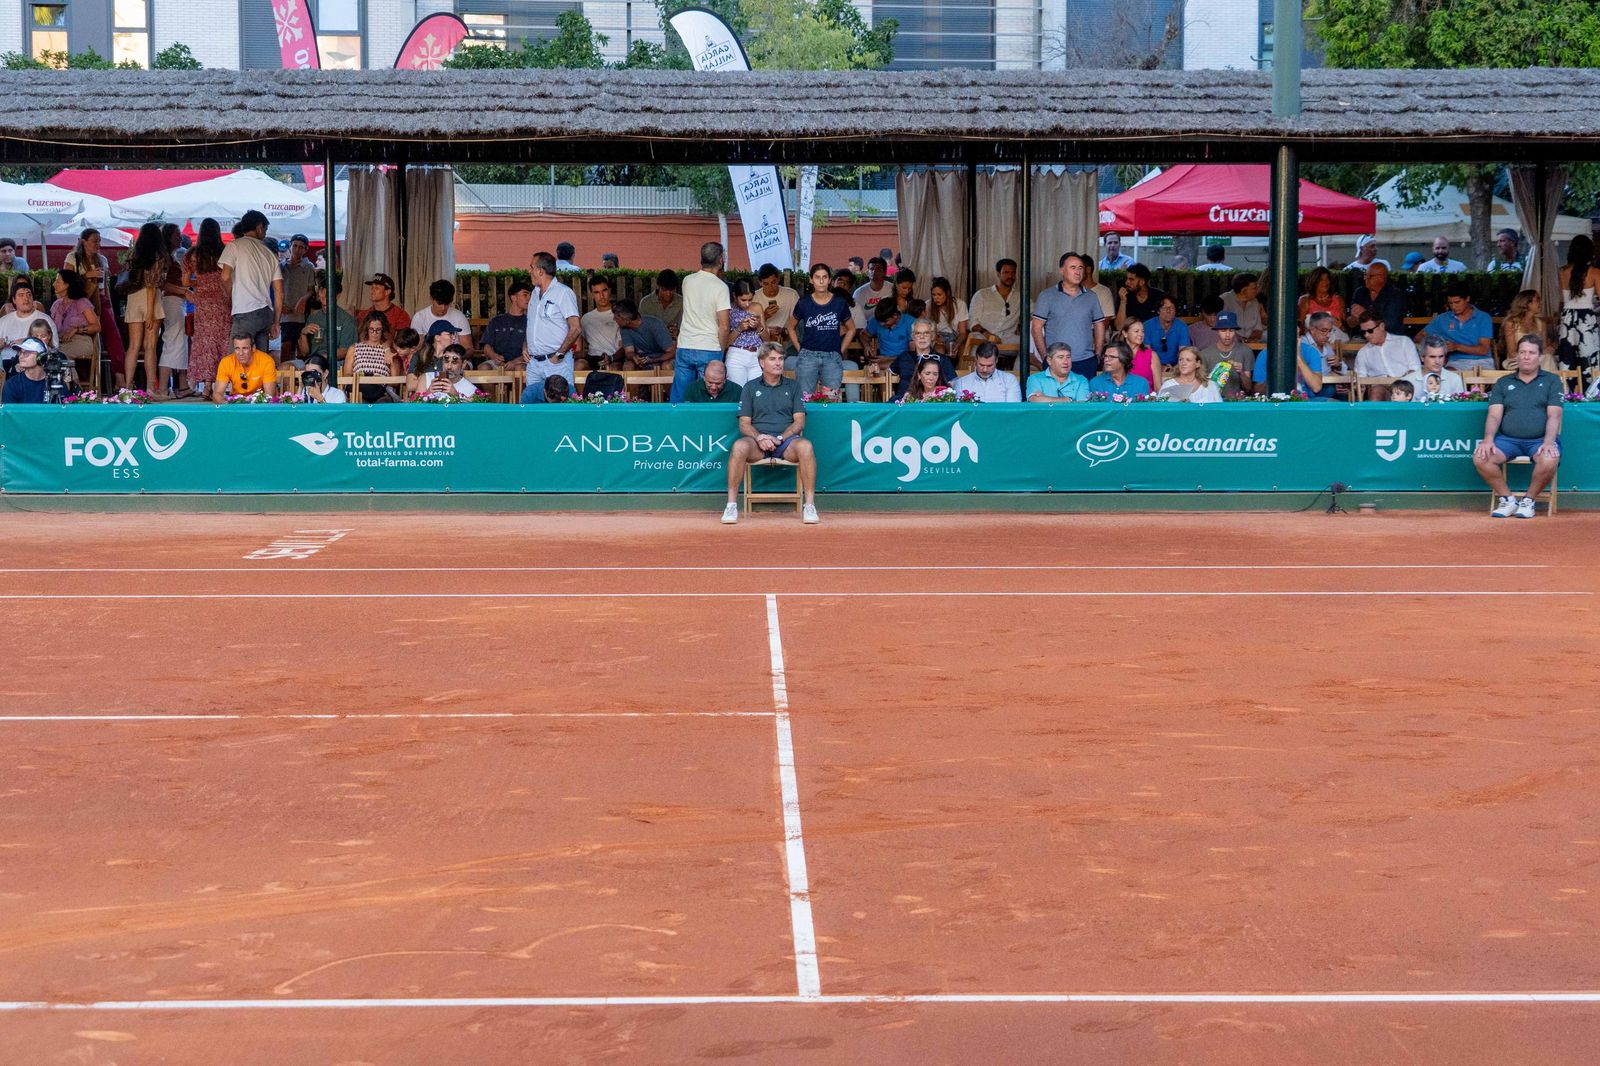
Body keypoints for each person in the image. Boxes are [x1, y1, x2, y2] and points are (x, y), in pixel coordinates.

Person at [721, 343, 818, 526]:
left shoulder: (794, 386)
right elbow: (744, 424)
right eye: (772, 359)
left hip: (786, 443)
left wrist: (780, 438)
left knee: (806, 446)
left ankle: (810, 505)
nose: (778, 363)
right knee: (739, 446)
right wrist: (760, 437)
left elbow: (799, 422)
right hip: (757, 443)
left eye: (781, 359)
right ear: (761, 363)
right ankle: (731, 505)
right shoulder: (749, 387)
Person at [1478, 335, 1563, 519]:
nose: (1526, 356)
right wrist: (1488, 439)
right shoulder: (1503, 382)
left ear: (1540, 357)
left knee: (1549, 458)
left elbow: (1554, 415)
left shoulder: (1552, 381)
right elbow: (1494, 414)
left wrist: (1549, 442)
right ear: (1516, 355)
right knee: (1480, 456)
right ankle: (1508, 500)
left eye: (1531, 353)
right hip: (1508, 440)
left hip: (1539, 440)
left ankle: (1528, 501)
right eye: (1522, 352)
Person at [64, 227, 124, 384]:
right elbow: (66, 281)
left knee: (114, 337)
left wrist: (109, 305)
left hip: (101, 300)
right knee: (82, 339)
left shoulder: (102, 260)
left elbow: (105, 286)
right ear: (84, 242)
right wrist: (86, 275)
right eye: (94, 241)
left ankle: (120, 378)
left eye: (99, 241)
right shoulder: (73, 257)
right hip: (79, 303)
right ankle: (82, 379)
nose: (98, 244)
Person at [520, 250, 582, 404]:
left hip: (556, 363)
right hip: (533, 363)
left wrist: (559, 355)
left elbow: (575, 328)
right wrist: (526, 346)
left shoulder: (564, 293)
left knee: (562, 408)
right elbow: (532, 325)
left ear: (540, 271)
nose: (529, 271)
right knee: (532, 410)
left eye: (531, 267)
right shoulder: (534, 294)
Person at [1031, 252, 1104, 379]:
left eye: (1080, 268)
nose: (1078, 272)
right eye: (1073, 267)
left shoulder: (1091, 296)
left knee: (1084, 398)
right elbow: (1036, 328)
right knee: (1056, 398)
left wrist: (1097, 355)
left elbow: (1099, 325)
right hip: (1056, 362)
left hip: (1085, 361)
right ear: (1062, 270)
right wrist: (1045, 357)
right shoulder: (1047, 296)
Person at [674, 241, 731, 404]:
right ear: (720, 260)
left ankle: (676, 427)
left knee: (681, 397)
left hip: (685, 344)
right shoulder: (720, 287)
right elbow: (724, 326)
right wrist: (721, 349)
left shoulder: (687, 281)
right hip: (709, 346)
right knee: (707, 397)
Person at [218, 210, 282, 354]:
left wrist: (230, 295)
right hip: (266, 313)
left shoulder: (234, 246)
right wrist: (276, 322)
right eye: (265, 229)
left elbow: (225, 276)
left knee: (236, 361)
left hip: (245, 311)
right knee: (258, 362)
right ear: (259, 227)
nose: (265, 233)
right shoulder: (269, 254)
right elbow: (279, 291)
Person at [788, 262, 856, 396]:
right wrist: (799, 349)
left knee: (831, 399)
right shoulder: (804, 302)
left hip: (832, 357)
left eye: (824, 277)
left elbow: (851, 329)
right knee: (805, 400)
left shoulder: (839, 302)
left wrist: (839, 351)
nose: (821, 281)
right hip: (807, 356)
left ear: (829, 280)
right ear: (811, 279)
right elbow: (790, 327)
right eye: (817, 277)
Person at [118, 222, 167, 391]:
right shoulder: (158, 256)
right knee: (150, 347)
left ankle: (127, 388)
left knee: (132, 346)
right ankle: (150, 389)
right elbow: (152, 285)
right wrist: (150, 313)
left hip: (133, 298)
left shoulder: (133, 254)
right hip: (150, 300)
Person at [185, 219, 229, 396]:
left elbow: (186, 281)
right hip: (223, 302)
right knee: (221, 342)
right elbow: (228, 277)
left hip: (202, 303)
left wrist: (202, 282)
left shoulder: (192, 254)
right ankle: (220, 384)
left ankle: (207, 387)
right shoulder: (225, 251)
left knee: (205, 343)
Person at [1419, 283, 1494, 370]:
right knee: (1448, 377)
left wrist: (1457, 346)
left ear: (1467, 299)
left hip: (1483, 361)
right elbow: (1419, 337)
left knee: (1483, 380)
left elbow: (1484, 349)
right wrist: (1438, 346)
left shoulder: (1483, 317)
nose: (1453, 307)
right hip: (1455, 362)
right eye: (1450, 303)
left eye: (1457, 302)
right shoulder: (1442, 319)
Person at [1556, 234, 1600, 378]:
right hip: (1586, 317)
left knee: (1567, 357)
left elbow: (1561, 299)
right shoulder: (1594, 272)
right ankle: (1590, 393)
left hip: (1567, 317)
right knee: (1589, 357)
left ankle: (1567, 392)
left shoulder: (1562, 271)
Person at [155, 222, 191, 395]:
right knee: (172, 342)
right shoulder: (166, 260)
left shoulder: (172, 257)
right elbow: (164, 284)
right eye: (176, 234)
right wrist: (185, 291)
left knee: (179, 342)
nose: (180, 237)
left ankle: (182, 385)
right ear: (169, 237)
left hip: (178, 302)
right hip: (172, 302)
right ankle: (163, 388)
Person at [1353, 312, 1420, 394]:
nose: (1366, 335)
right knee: (1376, 391)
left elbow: (1415, 369)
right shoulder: (1363, 353)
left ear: (1382, 326)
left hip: (1406, 389)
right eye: (1363, 332)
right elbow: (1360, 379)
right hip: (1381, 391)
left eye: (1370, 331)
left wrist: (1399, 383)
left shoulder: (1404, 342)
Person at [297, 275, 355, 368]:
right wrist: (303, 333)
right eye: (322, 290)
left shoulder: (347, 319)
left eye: (330, 292)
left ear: (338, 295)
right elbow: (304, 352)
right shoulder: (313, 317)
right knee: (284, 368)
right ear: (319, 292)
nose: (325, 294)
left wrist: (318, 359)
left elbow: (344, 351)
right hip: (311, 361)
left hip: (335, 363)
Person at [49, 269, 99, 369]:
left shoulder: (82, 302)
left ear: (67, 285)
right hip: (59, 342)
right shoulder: (56, 305)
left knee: (59, 355)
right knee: (48, 354)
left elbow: (96, 327)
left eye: (58, 281)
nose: (54, 284)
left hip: (81, 341)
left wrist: (76, 330)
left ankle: (71, 383)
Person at [345, 312, 400, 401]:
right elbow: (347, 374)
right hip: (358, 390)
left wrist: (378, 379)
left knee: (382, 401)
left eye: (378, 330)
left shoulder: (389, 351)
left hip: (381, 391)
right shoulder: (354, 348)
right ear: (367, 329)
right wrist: (362, 378)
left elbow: (395, 381)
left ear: (383, 330)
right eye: (371, 329)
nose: (374, 333)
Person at [967, 258, 1019, 349]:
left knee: (1028, 346)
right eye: (1006, 272)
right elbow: (972, 321)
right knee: (975, 341)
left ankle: (1018, 364)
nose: (1010, 276)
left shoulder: (1021, 297)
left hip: (1007, 339)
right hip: (982, 337)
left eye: (1013, 273)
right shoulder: (982, 294)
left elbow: (1035, 314)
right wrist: (987, 334)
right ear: (998, 274)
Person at [278, 233, 316, 358]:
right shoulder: (281, 267)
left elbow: (311, 289)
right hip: (285, 315)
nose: (297, 249)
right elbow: (276, 289)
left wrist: (304, 299)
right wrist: (281, 305)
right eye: (295, 246)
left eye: (301, 247)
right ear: (290, 247)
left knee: (302, 347)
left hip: (301, 315)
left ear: (306, 250)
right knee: (285, 347)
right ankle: (284, 375)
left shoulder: (309, 267)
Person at [1347, 262, 1406, 339]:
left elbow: (1390, 325)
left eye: (1370, 276)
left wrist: (1365, 314)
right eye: (1365, 275)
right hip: (1362, 337)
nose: (1365, 278)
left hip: (1389, 338)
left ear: (1382, 278)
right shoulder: (1360, 292)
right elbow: (1351, 324)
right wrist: (1354, 319)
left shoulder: (1394, 295)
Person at [614, 298, 676, 372]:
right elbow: (629, 352)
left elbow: (672, 352)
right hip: (642, 361)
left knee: (667, 366)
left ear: (626, 320)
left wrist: (653, 360)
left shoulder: (654, 324)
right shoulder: (624, 328)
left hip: (661, 359)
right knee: (628, 366)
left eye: (616, 317)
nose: (614, 319)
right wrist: (634, 357)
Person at [211, 333, 277, 403]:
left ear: (253, 348)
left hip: (259, 404)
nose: (241, 353)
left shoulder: (266, 361)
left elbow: (269, 396)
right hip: (236, 404)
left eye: (245, 348)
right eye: (237, 348)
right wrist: (227, 406)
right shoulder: (226, 362)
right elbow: (217, 394)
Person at [481, 279, 531, 369]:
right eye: (525, 295)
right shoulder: (496, 321)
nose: (529, 298)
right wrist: (494, 356)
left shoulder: (530, 322)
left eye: (530, 295)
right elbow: (486, 346)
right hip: (497, 362)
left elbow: (532, 349)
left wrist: (515, 362)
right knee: (483, 368)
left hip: (521, 361)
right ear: (513, 297)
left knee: (520, 368)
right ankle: (495, 384)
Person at [1199, 311, 1251, 397]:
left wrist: (1241, 372)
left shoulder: (1245, 351)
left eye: (1231, 330)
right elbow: (1199, 386)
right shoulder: (1205, 354)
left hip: (1236, 403)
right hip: (1212, 402)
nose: (1227, 335)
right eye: (1223, 330)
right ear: (1217, 331)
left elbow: (1248, 388)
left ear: (1235, 331)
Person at [1500, 289, 1555, 370]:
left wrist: (1551, 348)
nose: (1541, 303)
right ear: (1527, 304)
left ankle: (1548, 381)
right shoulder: (1512, 323)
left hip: (1539, 360)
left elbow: (1544, 348)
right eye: (1537, 300)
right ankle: (1549, 382)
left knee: (1548, 357)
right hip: (1517, 361)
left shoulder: (1541, 324)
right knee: (1546, 360)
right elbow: (1512, 353)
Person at [725, 278, 765, 386]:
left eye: (750, 299)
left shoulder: (757, 307)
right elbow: (724, 343)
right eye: (743, 300)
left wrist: (759, 326)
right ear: (734, 296)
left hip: (757, 354)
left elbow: (767, 339)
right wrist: (739, 328)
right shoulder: (728, 310)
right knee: (737, 391)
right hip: (736, 354)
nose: (747, 304)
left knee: (757, 391)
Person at [863, 298, 914, 382]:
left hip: (904, 362)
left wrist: (890, 359)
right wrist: (867, 346)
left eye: (885, 321)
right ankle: (885, 394)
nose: (881, 324)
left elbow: (912, 355)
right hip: (883, 362)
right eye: (880, 321)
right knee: (874, 368)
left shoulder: (910, 322)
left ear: (895, 316)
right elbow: (864, 334)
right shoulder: (878, 320)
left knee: (880, 368)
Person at [952, 341, 1021, 402]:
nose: (985, 370)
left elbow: (1012, 410)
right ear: (975, 360)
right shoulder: (961, 383)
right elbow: (960, 411)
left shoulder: (1009, 380)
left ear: (996, 360)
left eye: (989, 365)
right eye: (981, 365)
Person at [750, 263, 799, 346]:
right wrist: (764, 316)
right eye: (766, 284)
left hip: (785, 338)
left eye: (773, 282)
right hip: (761, 340)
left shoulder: (791, 294)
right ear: (760, 283)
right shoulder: (754, 297)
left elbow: (797, 321)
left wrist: (783, 330)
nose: (770, 287)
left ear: (778, 279)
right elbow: (749, 325)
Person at [1404, 337, 1466, 402]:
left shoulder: (1455, 379)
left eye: (1441, 356)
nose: (1437, 361)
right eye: (1432, 357)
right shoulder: (1407, 381)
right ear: (1422, 357)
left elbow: (1459, 408)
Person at [1158, 346, 1223, 404]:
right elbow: (1160, 412)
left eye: (1188, 360)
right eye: (1181, 360)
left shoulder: (1210, 386)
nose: (1183, 363)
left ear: (1198, 363)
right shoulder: (1169, 385)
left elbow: (1220, 411)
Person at [413, 344, 479, 400]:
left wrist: (456, 396)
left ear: (464, 364)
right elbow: (414, 407)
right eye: (446, 361)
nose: (449, 367)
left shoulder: (470, 389)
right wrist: (428, 392)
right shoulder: (426, 378)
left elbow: (471, 413)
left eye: (454, 362)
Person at [926, 277, 968, 357]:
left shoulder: (960, 304)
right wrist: (934, 337)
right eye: (933, 295)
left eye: (939, 294)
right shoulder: (928, 305)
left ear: (947, 293)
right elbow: (925, 328)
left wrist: (957, 344)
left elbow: (962, 332)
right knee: (940, 350)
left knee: (962, 351)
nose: (936, 298)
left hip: (955, 338)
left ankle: (959, 369)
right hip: (937, 337)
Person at [1115, 263, 1165, 329]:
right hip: (1131, 335)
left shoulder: (1159, 296)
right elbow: (1119, 327)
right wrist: (1123, 302)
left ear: (1142, 282)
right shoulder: (1124, 296)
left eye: (1131, 279)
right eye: (1127, 279)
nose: (1126, 282)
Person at [1, 338, 51, 403]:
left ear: (41, 357)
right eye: (20, 352)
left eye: (26, 353)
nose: (21, 356)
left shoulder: (55, 383)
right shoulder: (12, 385)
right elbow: (9, 412)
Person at [1146, 295, 1189, 368]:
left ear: (1175, 311)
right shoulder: (1147, 326)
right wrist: (1160, 367)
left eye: (1172, 308)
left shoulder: (1182, 327)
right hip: (1152, 365)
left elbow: (1183, 353)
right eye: (1165, 308)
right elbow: (1147, 353)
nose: (1168, 311)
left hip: (1176, 366)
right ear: (1158, 311)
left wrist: (1175, 369)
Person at [1221, 272, 1265, 341]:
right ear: (1243, 291)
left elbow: (1258, 329)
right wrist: (1241, 339)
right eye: (1254, 288)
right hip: (1230, 343)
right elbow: (1222, 327)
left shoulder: (1255, 302)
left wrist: (1252, 337)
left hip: (1252, 343)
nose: (1258, 290)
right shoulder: (1225, 300)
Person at [852, 256, 893, 329]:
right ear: (868, 272)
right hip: (866, 329)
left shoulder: (892, 289)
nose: (874, 272)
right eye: (871, 269)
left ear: (885, 272)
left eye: (878, 269)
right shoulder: (859, 293)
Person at [639, 269, 682, 338]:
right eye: (664, 290)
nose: (668, 294)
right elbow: (641, 328)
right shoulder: (645, 303)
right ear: (658, 286)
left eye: (671, 290)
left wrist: (678, 332)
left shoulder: (681, 302)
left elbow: (685, 327)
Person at [1121, 318, 1160, 394]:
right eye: (1136, 331)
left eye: (1143, 331)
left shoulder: (1152, 355)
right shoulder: (1117, 354)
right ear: (1125, 333)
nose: (1141, 334)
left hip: (1146, 402)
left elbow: (1157, 387)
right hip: (1121, 402)